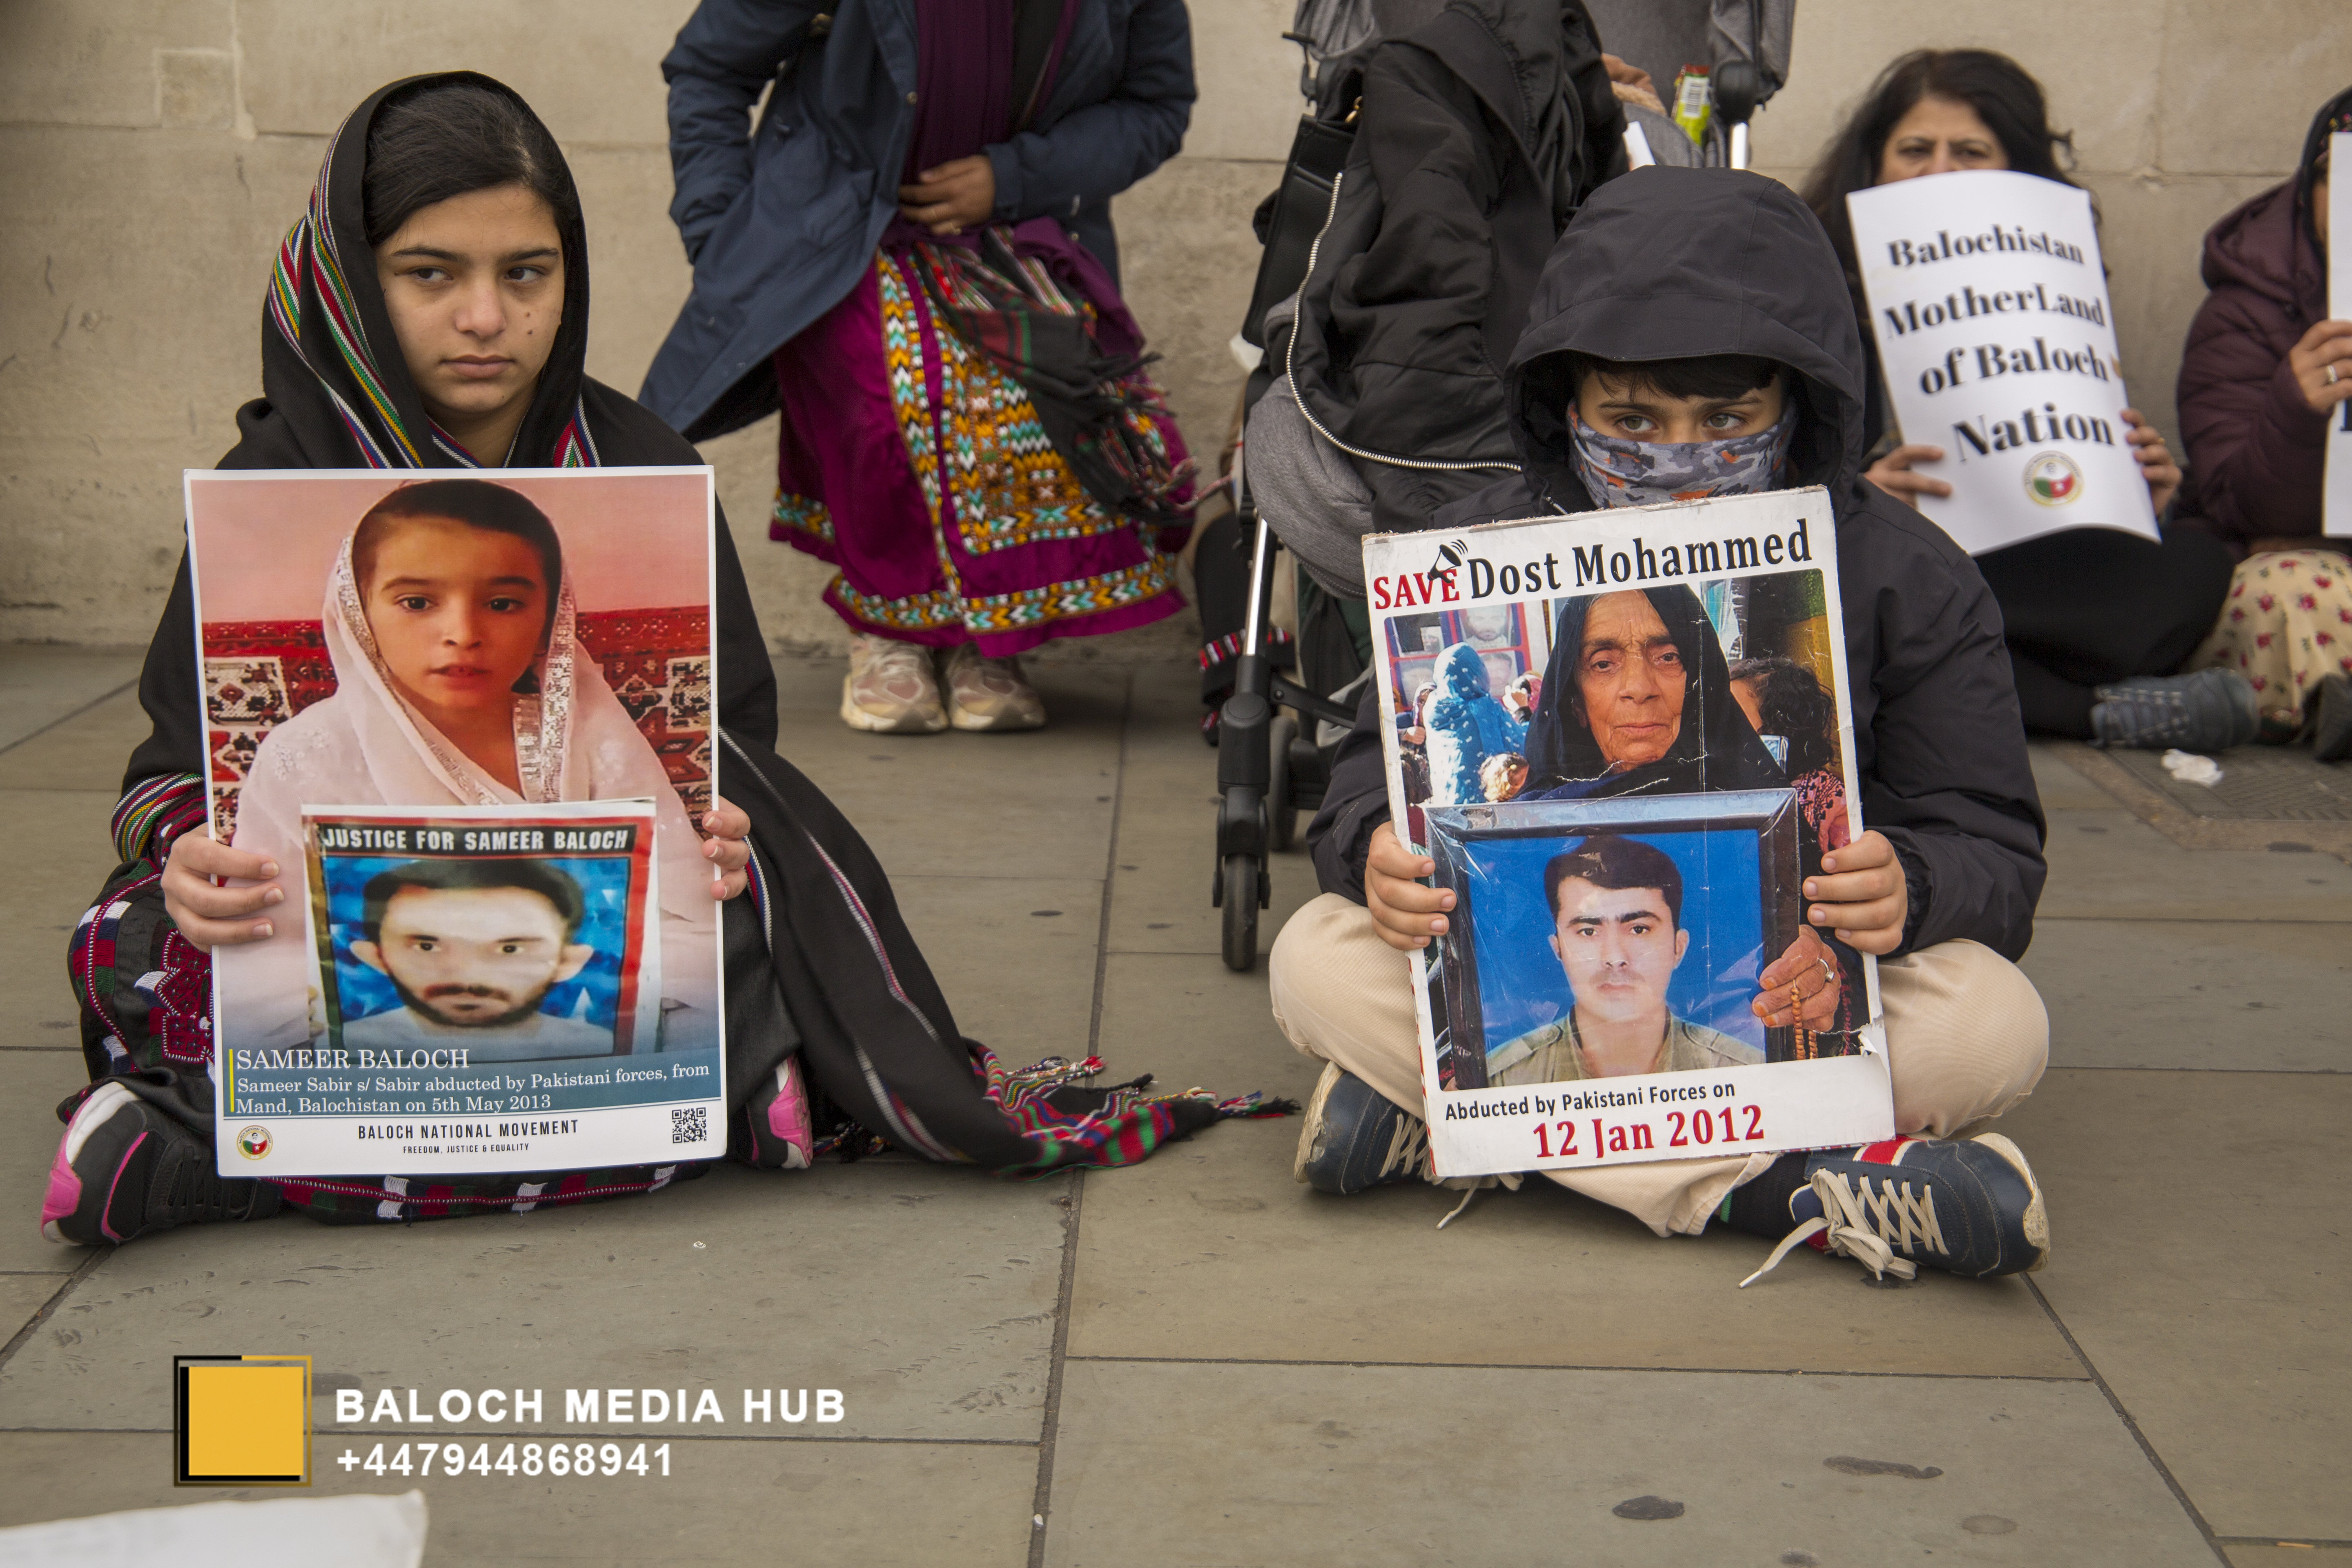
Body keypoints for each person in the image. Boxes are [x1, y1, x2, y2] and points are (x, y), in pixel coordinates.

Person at [45, 73, 1262, 1252]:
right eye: (430, 274)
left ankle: (221, 1153)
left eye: (527, 273)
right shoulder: (273, 484)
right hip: (357, 944)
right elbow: (172, 779)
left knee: (756, 922)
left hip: (567, 937)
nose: (487, 318)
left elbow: (725, 749)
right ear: (353, 279)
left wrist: (720, 835)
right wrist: (194, 863)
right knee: (130, 940)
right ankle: (711, 1109)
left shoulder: (639, 461)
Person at [1272, 167, 2052, 1286]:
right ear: (1563, 405)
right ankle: (1782, 1187)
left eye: (1727, 420)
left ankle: (1466, 1130)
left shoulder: (1906, 576)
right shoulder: (1473, 545)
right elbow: (1359, 793)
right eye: (1631, 420)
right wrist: (1373, 856)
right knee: (1313, 956)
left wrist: (1913, 886)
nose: (1680, 457)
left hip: (1792, 1001)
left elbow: (1993, 844)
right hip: (1550, 996)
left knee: (1994, 1020)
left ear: (1801, 406)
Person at [644, 0, 1198, 736]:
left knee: (1033, 415)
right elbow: (709, 68)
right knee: (884, 409)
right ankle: (889, 631)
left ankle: (984, 639)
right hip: (845, 232)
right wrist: (723, 237)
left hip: (1018, 229)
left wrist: (1012, 176)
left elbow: (1156, 105)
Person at [1798, 49, 2253, 752]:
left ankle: (2032, 688)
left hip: (2018, 559)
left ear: (2016, 170)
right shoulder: (1809, 281)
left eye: (1970, 151)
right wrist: (1861, 499)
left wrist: (2135, 491)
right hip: (1888, 554)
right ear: (1873, 166)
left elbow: (2054, 467)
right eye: (1915, 150)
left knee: (2195, 564)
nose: (1940, 172)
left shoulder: (2046, 286)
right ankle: (2095, 712)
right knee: (1887, 598)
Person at [220, 478, 719, 1051]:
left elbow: (687, 925)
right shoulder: (304, 755)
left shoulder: (591, 735)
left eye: (502, 604)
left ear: (550, 615)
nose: (463, 635)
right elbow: (265, 960)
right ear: (356, 612)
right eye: (417, 603)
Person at [2174, 87, 2352, 756]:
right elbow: (2237, 503)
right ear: (2310, 190)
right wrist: (2297, 410)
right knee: (2299, 588)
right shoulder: (2246, 313)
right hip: (2289, 570)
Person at [1486, 835, 1762, 1086]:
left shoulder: (1746, 1075)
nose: (1615, 958)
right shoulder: (1501, 1081)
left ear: (1678, 948)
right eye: (1588, 931)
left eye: (1639, 929)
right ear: (1558, 949)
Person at [340, 859, 612, 1060]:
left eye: (510, 949)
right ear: (377, 957)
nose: (467, 975)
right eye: (427, 947)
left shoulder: (599, 1048)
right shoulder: (344, 1045)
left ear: (568, 962)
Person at [1423, 644, 1528, 806]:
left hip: (1448, 803)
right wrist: (1523, 710)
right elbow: (1524, 745)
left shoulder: (1433, 707)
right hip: (1485, 804)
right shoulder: (1484, 707)